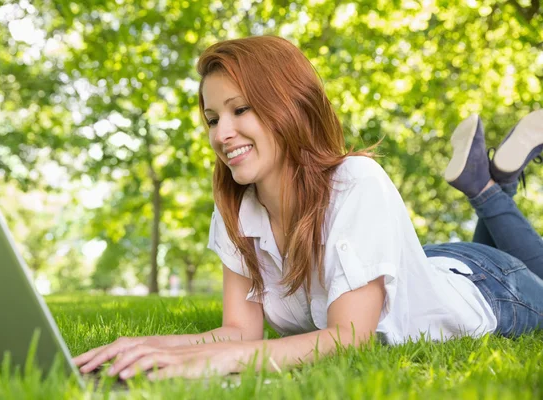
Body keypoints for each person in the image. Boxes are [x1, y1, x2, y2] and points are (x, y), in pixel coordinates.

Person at [73, 36, 543, 381]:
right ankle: (498, 182)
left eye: (241, 110)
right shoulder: (237, 209)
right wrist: (147, 347)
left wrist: (213, 362)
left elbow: (348, 337)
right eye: (213, 119)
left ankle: (485, 188)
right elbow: (240, 330)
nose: (221, 134)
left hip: (488, 288)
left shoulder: (355, 183)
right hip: (429, 264)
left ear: (288, 107)